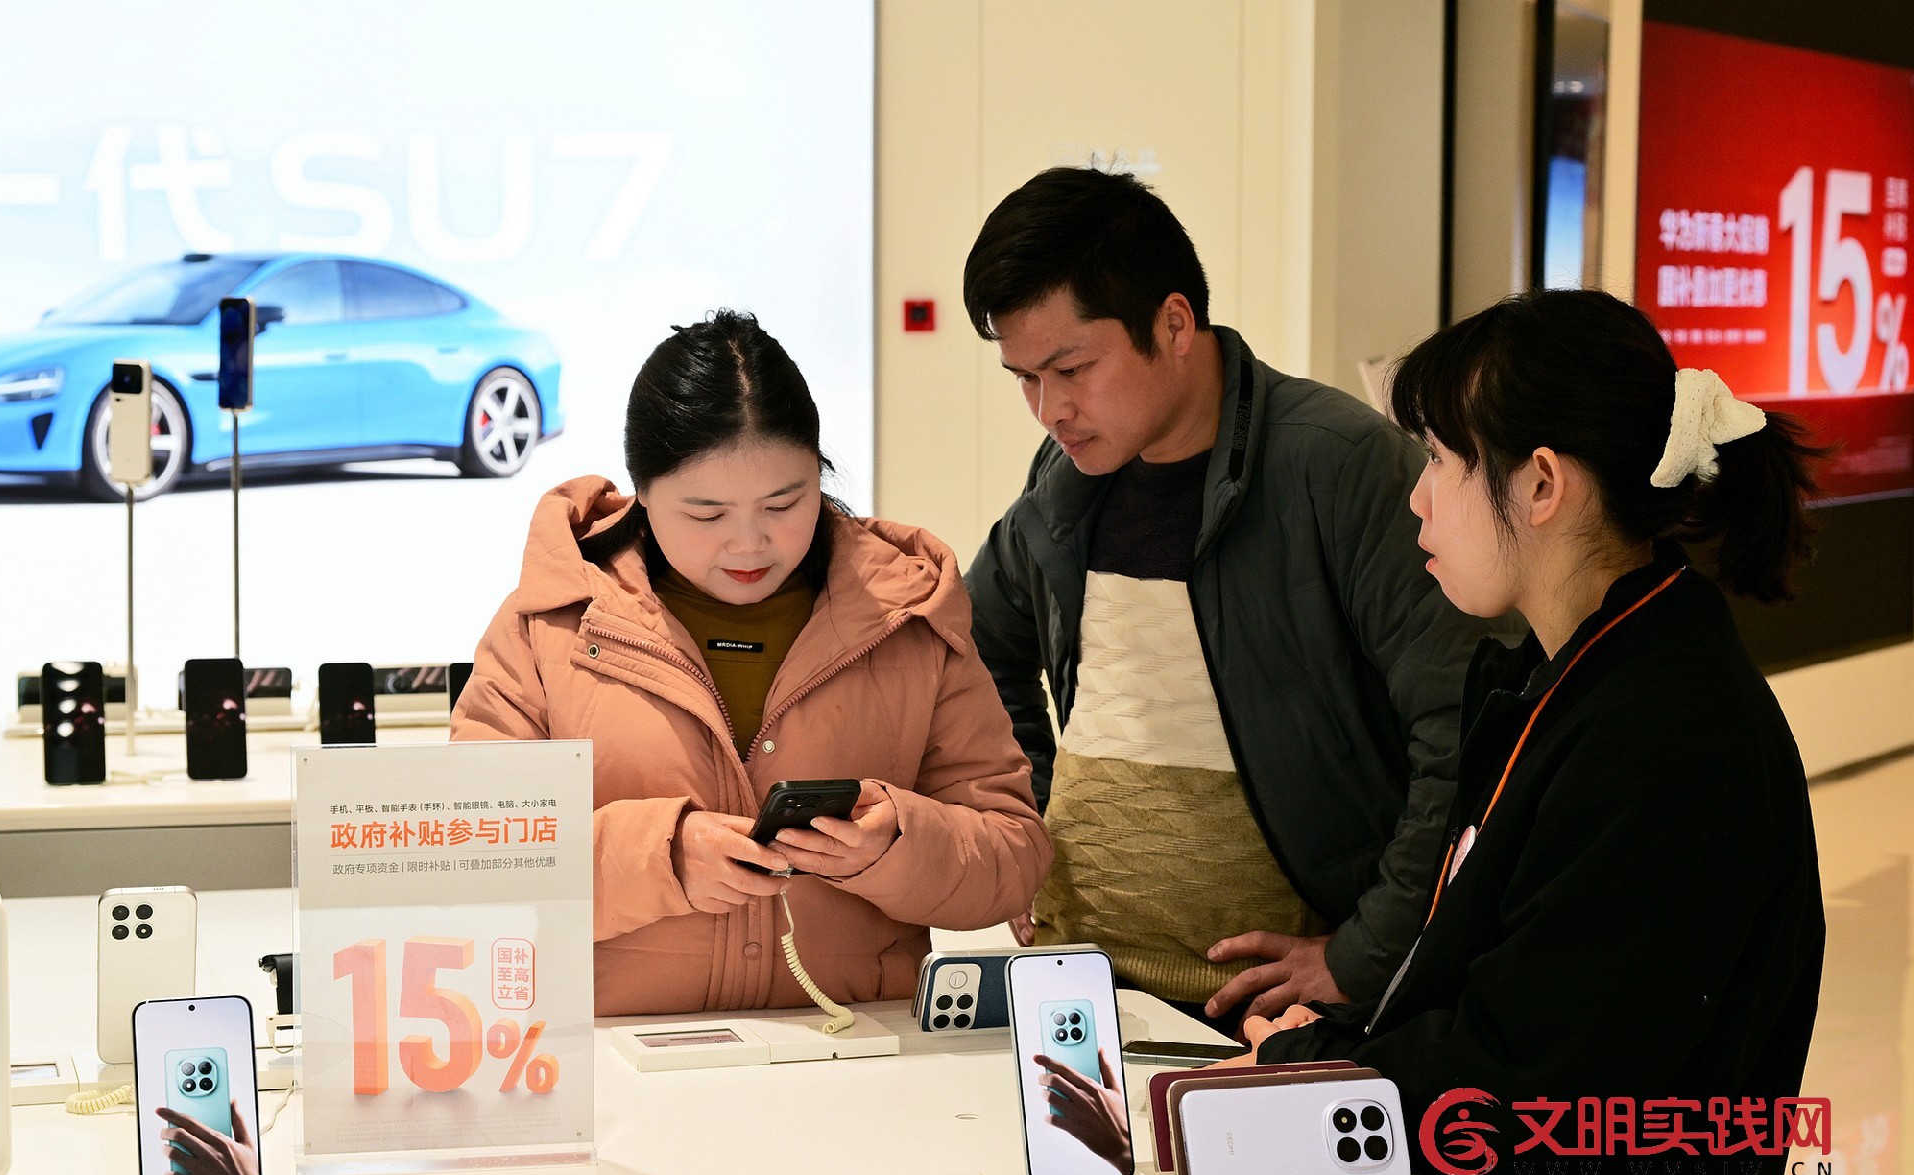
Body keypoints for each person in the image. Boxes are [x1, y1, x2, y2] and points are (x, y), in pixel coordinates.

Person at [1242, 289, 1826, 1175]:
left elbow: (1532, 1078)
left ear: (1543, 483)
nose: (1418, 497)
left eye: (1441, 459)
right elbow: (1504, 982)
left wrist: (1306, 1070)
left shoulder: (1666, 730)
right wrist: (1341, 1040)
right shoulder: (1569, 672)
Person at [961, 167, 1512, 1028]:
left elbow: (1465, 725)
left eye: (1071, 368)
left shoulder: (1338, 465)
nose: (1049, 410)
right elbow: (976, 646)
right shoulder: (1064, 478)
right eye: (1024, 378)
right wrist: (1021, 819)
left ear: (1174, 323)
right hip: (1078, 992)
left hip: (1272, 1018)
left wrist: (1365, 952)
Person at [453, 311, 1052, 1016]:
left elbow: (1013, 856)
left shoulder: (906, 616)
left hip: (859, 1055)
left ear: (819, 475)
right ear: (642, 493)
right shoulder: (551, 623)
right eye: (706, 514)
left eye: (783, 503)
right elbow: (476, 859)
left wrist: (895, 844)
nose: (749, 543)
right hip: (611, 1057)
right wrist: (663, 859)